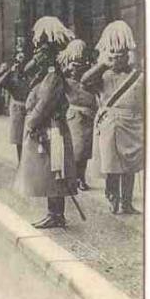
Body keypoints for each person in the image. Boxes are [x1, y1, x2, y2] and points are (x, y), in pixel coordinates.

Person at [13, 16, 76, 229]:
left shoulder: (53, 76)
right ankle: (54, 212)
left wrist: (31, 123)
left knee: (55, 170)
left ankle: (56, 214)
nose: (37, 53)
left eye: (41, 49)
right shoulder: (45, 75)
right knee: (50, 171)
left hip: (52, 129)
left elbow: (45, 103)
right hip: (48, 128)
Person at [81, 20, 144, 215]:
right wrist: (101, 65)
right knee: (111, 165)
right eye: (113, 54)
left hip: (133, 123)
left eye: (121, 54)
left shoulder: (139, 76)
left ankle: (126, 202)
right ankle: (112, 197)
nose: (117, 57)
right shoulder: (103, 75)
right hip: (110, 124)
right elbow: (84, 81)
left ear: (128, 55)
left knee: (130, 166)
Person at [58, 39, 97, 192]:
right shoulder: (65, 78)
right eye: (74, 65)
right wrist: (67, 69)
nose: (76, 68)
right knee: (76, 150)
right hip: (74, 115)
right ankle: (74, 178)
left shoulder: (88, 74)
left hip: (88, 116)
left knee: (85, 151)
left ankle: (81, 177)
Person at [0, 47, 30, 162]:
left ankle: (26, 163)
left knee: (29, 136)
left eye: (23, 60)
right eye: (18, 60)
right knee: (18, 137)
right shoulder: (12, 75)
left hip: (29, 106)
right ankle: (20, 161)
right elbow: (0, 83)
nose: (21, 63)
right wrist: (9, 71)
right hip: (17, 107)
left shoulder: (29, 74)